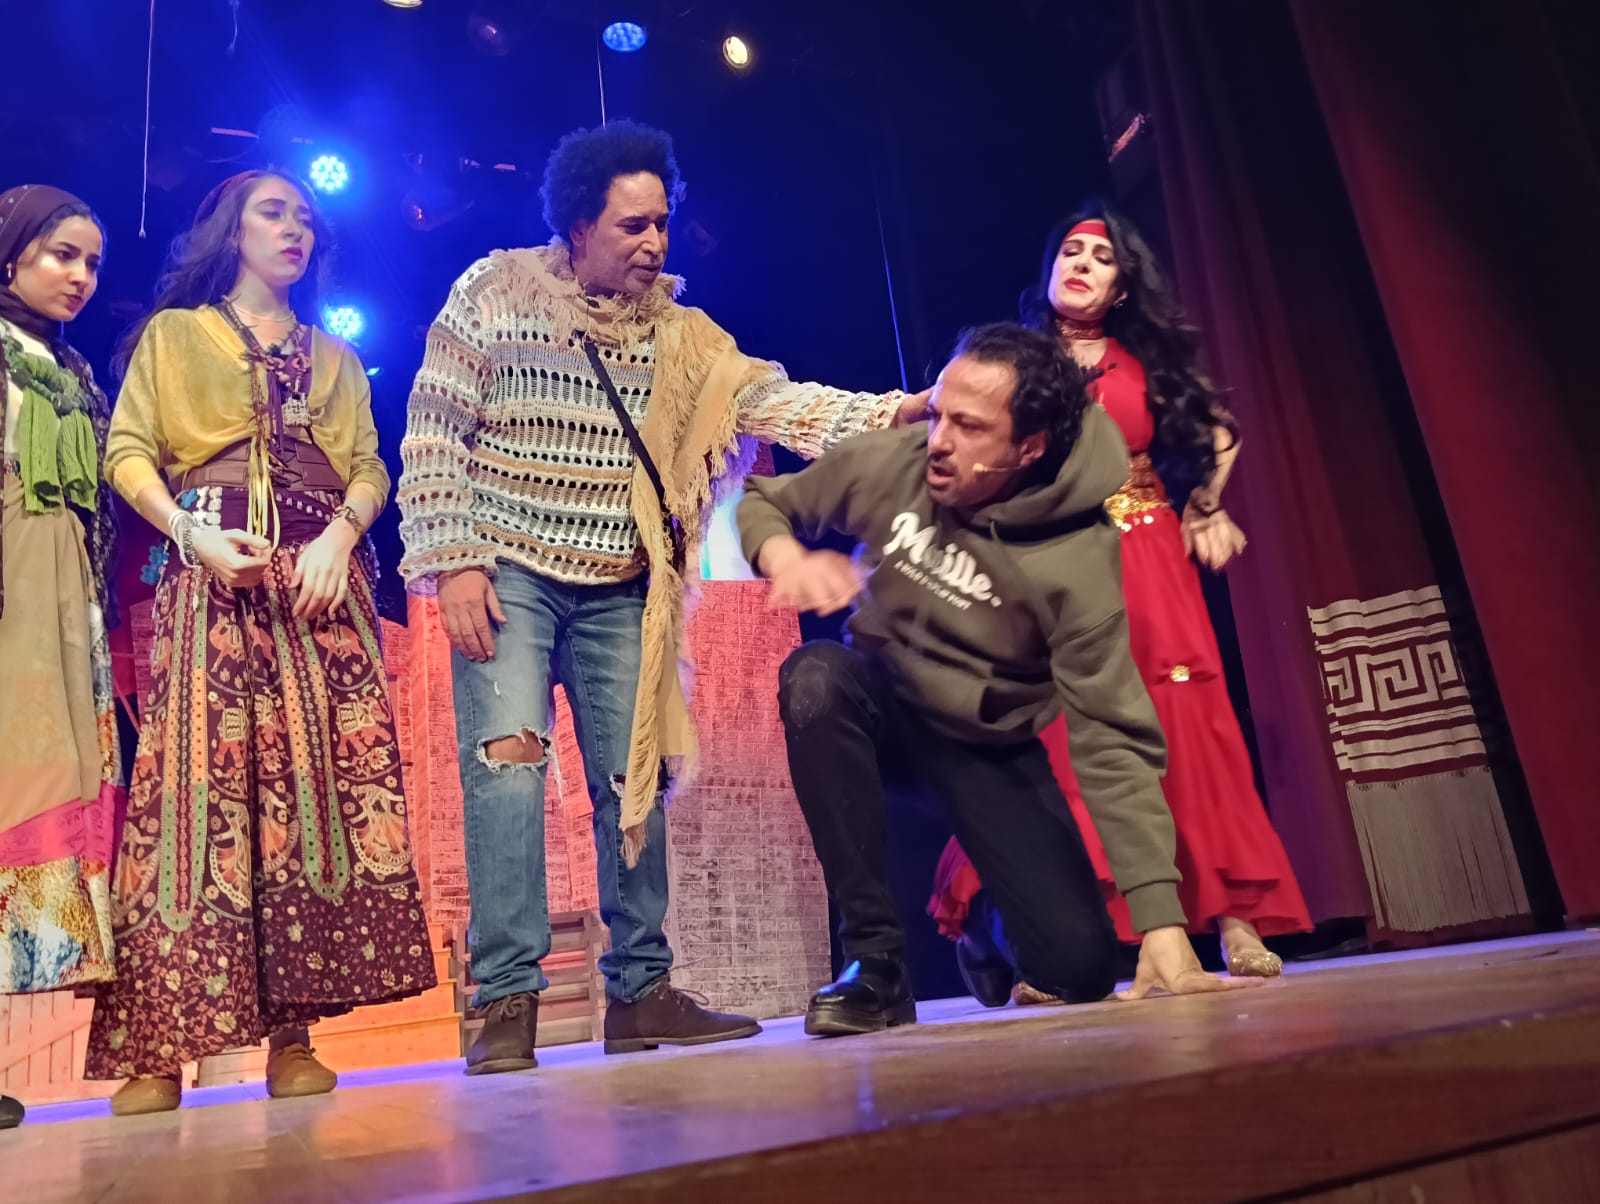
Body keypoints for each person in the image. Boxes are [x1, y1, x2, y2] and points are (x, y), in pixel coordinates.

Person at [397, 120, 926, 1073]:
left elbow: (779, 402)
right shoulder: (494, 290)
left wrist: (898, 412)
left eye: (662, 224)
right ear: (577, 226)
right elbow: (434, 427)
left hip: (619, 585)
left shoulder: (684, 336)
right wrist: (454, 559)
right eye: (632, 225)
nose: (654, 243)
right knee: (507, 770)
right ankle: (506, 1002)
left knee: (631, 784)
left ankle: (640, 991)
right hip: (508, 571)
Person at [738, 322, 1257, 1035]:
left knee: (1078, 971)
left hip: (988, 744)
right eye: (940, 414)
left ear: (1029, 447)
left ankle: (988, 922)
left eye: (970, 427)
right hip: (886, 705)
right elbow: (765, 500)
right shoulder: (899, 460)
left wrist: (1162, 926)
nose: (939, 440)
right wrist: (786, 558)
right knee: (816, 677)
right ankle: (874, 963)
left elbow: (1111, 739)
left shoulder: (1078, 556)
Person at [86, 170, 436, 1115]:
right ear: (231, 230)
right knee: (192, 798)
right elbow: (127, 450)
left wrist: (339, 539)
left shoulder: (336, 356)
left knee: (311, 801)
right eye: (273, 212)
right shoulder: (175, 335)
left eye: (306, 218)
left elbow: (370, 465)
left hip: (319, 590)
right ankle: (159, 1049)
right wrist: (188, 534)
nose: (295, 229)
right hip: (213, 576)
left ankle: (294, 1039)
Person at [930, 207, 1311, 1001]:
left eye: (1101, 258)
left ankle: (1234, 920)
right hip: (1055, 561)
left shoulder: (1142, 363)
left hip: (1147, 553)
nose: (1081, 265)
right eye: (1070, 252)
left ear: (1123, 285)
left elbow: (1221, 431)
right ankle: (1061, 947)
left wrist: (1204, 506)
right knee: (1066, 738)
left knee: (1183, 727)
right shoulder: (1014, 364)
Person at [0, 184, 120, 1131]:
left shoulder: (72, 370)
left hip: (63, 602)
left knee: (42, 798)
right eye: (59, 255)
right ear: (10, 255)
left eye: (91, 262)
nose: (79, 276)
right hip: (9, 583)